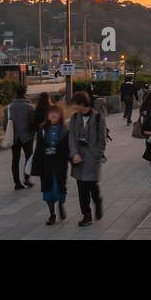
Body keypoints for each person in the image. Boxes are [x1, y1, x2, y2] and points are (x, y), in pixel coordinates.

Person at [68, 91, 107, 227]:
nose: (73, 106)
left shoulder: (97, 118)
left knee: (92, 186)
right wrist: (74, 154)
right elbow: (71, 138)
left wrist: (97, 154)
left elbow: (102, 139)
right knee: (81, 188)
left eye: (75, 104)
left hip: (92, 158)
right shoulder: (74, 118)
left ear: (82, 103)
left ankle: (97, 202)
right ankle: (86, 215)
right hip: (78, 158)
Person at [32, 102, 70, 225]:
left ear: (60, 115)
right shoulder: (42, 130)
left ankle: (61, 205)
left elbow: (68, 148)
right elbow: (38, 149)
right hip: (46, 166)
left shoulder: (65, 131)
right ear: (47, 116)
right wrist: (36, 167)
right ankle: (52, 214)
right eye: (51, 113)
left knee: (60, 189)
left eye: (56, 113)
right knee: (47, 191)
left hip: (60, 165)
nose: (53, 115)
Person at [4, 84, 35, 190]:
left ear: (15, 93)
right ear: (25, 93)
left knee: (15, 159)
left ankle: (17, 182)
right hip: (27, 136)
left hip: (14, 137)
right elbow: (33, 123)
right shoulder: (30, 107)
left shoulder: (8, 107)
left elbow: (4, 124)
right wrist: (32, 134)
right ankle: (27, 178)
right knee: (28, 158)